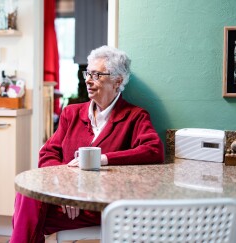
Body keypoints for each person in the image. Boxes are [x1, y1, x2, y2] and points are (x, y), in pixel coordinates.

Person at [10, 45, 164, 242]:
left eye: (97, 75)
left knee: (25, 214)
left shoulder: (135, 116)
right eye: (88, 73)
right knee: (29, 194)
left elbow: (154, 150)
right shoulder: (71, 113)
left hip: (102, 204)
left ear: (118, 81)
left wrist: (103, 159)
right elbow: (48, 153)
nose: (88, 81)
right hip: (68, 202)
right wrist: (65, 189)